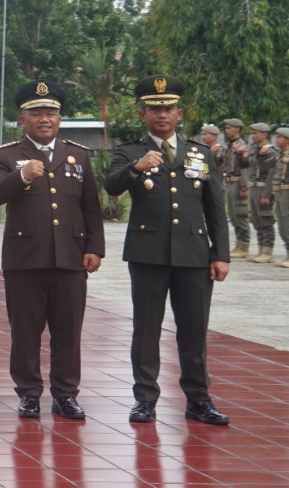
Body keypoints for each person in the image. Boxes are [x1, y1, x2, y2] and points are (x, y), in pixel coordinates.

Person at [104, 75, 230, 426]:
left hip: (193, 254)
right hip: (148, 254)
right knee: (146, 328)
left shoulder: (199, 153)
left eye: (168, 109)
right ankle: (145, 399)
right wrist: (135, 168)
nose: (162, 114)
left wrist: (221, 253)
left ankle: (198, 399)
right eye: (154, 109)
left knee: (194, 329)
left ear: (180, 113)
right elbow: (110, 184)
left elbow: (214, 207)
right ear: (142, 114)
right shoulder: (129, 151)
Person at [0, 80, 105, 419]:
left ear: (59, 118)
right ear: (22, 119)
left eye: (50, 113)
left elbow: (90, 206)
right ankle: (28, 393)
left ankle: (66, 394)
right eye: (35, 113)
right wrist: (21, 175)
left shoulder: (77, 154)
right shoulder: (7, 155)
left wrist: (94, 247)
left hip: (70, 257)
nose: (44, 119)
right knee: (25, 332)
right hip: (25, 260)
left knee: (68, 331)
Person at [244, 123, 280, 264]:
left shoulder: (270, 152)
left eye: (256, 133)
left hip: (263, 188)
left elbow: (271, 174)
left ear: (264, 134)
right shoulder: (255, 150)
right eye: (252, 133)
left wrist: (266, 194)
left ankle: (267, 251)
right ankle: (260, 249)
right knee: (256, 220)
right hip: (253, 188)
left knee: (265, 220)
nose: (253, 136)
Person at [219, 119, 250, 258]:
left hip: (238, 182)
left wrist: (244, 186)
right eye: (226, 128)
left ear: (237, 129)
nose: (227, 130)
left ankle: (244, 246)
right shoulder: (227, 146)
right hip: (229, 182)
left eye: (229, 128)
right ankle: (238, 244)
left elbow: (245, 167)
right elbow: (219, 163)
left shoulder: (242, 146)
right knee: (232, 215)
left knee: (240, 214)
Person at [273, 127, 289, 269]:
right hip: (279, 192)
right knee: (282, 224)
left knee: (287, 221)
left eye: (279, 137)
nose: (276, 140)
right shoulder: (280, 154)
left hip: (287, 192)